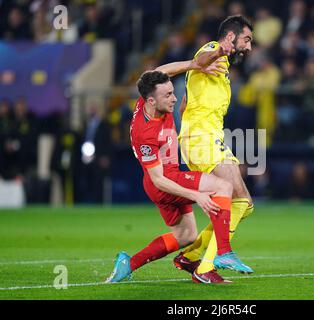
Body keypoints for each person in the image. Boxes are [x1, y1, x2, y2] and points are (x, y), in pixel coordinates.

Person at [105, 70, 252, 283]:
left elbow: (161, 70)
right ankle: (223, 253)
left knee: (187, 236)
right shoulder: (144, 133)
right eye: (168, 95)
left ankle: (130, 263)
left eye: (173, 92)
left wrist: (193, 64)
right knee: (223, 187)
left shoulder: (146, 100)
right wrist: (197, 195)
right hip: (165, 181)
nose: (174, 98)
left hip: (166, 179)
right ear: (152, 101)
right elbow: (159, 179)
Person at [176, 15, 255, 284]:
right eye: (247, 40)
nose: (250, 47)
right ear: (231, 37)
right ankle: (206, 266)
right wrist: (219, 51)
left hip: (209, 138)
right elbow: (200, 59)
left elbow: (184, 103)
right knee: (236, 198)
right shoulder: (212, 49)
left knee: (245, 205)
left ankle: (192, 255)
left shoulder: (223, 71)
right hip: (201, 139)